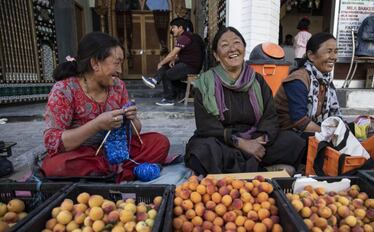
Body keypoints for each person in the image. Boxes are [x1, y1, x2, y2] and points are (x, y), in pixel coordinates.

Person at [41, 32, 170, 182]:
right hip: (82, 153)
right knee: (56, 166)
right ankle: (122, 172)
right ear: (95, 63)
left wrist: (132, 118)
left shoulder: (118, 86)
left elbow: (135, 133)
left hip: (117, 149)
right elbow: (52, 142)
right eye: (116, 63)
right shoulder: (64, 90)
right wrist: (96, 125)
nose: (120, 71)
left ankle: (105, 174)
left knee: (160, 143)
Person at [185, 27, 306, 176]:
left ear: (243, 48)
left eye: (237, 43)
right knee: (202, 150)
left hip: (256, 138)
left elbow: (270, 116)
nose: (232, 49)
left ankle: (236, 171)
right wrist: (240, 143)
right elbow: (206, 126)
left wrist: (260, 141)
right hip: (223, 140)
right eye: (224, 45)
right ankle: (263, 171)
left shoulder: (258, 80)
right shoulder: (205, 83)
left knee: (294, 141)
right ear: (217, 55)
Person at [275, 32, 342, 136]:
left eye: (336, 51)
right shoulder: (298, 80)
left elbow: (335, 117)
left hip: (304, 130)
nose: (333, 57)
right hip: (285, 134)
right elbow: (300, 122)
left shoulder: (325, 80)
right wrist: (331, 134)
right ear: (311, 56)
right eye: (329, 52)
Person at [142, 17, 204, 106]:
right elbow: (186, 54)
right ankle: (155, 80)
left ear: (180, 28)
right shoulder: (190, 36)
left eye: (173, 27)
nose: (172, 30)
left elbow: (172, 54)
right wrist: (173, 60)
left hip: (190, 66)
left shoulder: (184, 37)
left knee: (167, 74)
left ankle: (168, 99)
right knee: (168, 66)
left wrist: (161, 63)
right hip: (191, 65)